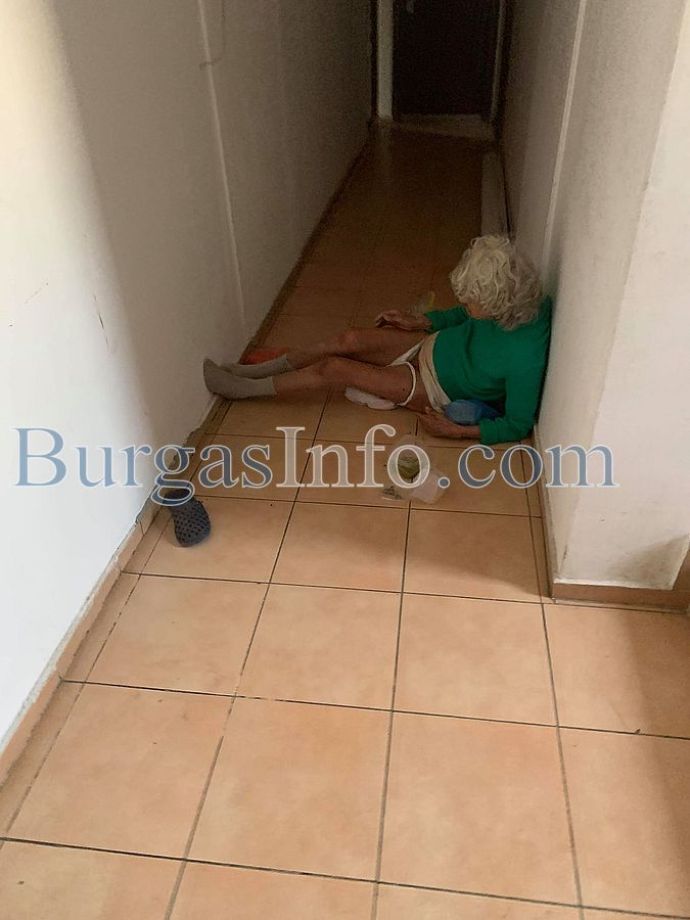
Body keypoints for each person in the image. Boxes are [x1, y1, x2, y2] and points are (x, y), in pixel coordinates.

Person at [204, 234, 551, 445]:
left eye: (474, 301)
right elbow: (464, 316)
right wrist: (423, 321)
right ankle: (253, 372)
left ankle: (243, 390)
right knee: (348, 339)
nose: (467, 304)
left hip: (432, 388)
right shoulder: (508, 304)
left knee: (334, 368)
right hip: (431, 345)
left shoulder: (524, 356)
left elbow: (517, 424)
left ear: (501, 303)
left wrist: (457, 432)